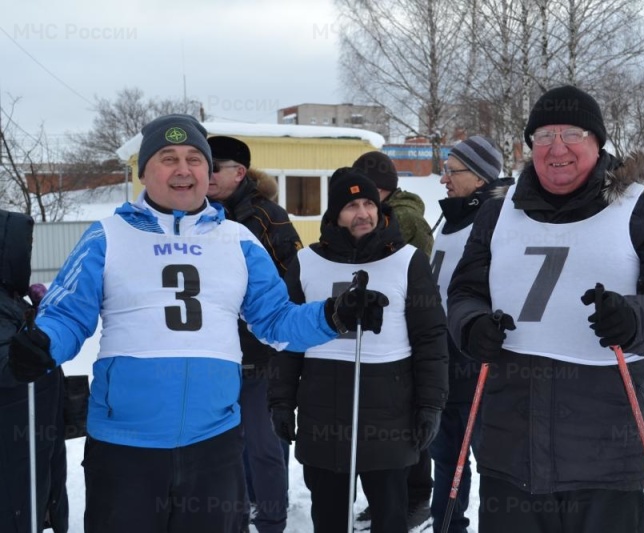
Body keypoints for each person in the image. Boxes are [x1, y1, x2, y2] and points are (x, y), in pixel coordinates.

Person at [6, 114, 388, 533]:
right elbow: (65, 315)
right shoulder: (106, 236)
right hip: (125, 445)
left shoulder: (239, 240)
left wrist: (333, 314)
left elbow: (275, 320)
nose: (183, 169)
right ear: (143, 171)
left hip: (215, 445)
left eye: (194, 158)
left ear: (208, 172)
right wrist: (44, 344)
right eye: (168, 158)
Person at [447, 86, 644, 533]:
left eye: (572, 133)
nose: (556, 147)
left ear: (598, 141)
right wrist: (471, 328)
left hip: (606, 463)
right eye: (543, 136)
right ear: (530, 146)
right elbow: (465, 292)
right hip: (509, 461)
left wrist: (635, 318)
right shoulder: (496, 214)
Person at [268, 168, 448, 533]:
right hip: (323, 412)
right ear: (334, 213)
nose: (363, 213)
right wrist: (281, 401)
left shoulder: (408, 261)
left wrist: (431, 404)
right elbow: (286, 340)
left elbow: (431, 339)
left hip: (390, 417)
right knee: (329, 518)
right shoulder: (307, 263)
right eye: (351, 205)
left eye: (369, 203)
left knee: (390, 515)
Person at [207, 135, 298, 533]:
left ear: (239, 173)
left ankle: (273, 520)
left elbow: (295, 282)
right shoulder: (202, 215)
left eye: (214, 166)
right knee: (228, 446)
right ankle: (239, 516)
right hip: (217, 353)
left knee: (263, 446)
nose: (204, 173)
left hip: (262, 354)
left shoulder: (268, 217)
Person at [428, 135, 514, 533]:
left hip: (475, 360)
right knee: (445, 456)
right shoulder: (450, 219)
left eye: (452, 171)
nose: (444, 178)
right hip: (440, 360)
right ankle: (447, 525)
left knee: (486, 460)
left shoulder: (495, 222)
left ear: (480, 179)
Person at [352, 150, 435, 529]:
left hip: (405, 331)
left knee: (409, 429)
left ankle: (416, 502)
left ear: (380, 189)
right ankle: (390, 501)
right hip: (382, 330)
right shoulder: (390, 212)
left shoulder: (403, 218)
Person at [0, 209, 68, 533]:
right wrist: (26, 352)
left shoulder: (13, 300)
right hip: (14, 459)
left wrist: (39, 315)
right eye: (24, 247)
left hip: (34, 445)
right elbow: (9, 366)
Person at [354, 150, 434, 256]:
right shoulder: (384, 212)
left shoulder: (400, 217)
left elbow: (363, 255)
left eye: (359, 186)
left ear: (376, 188)